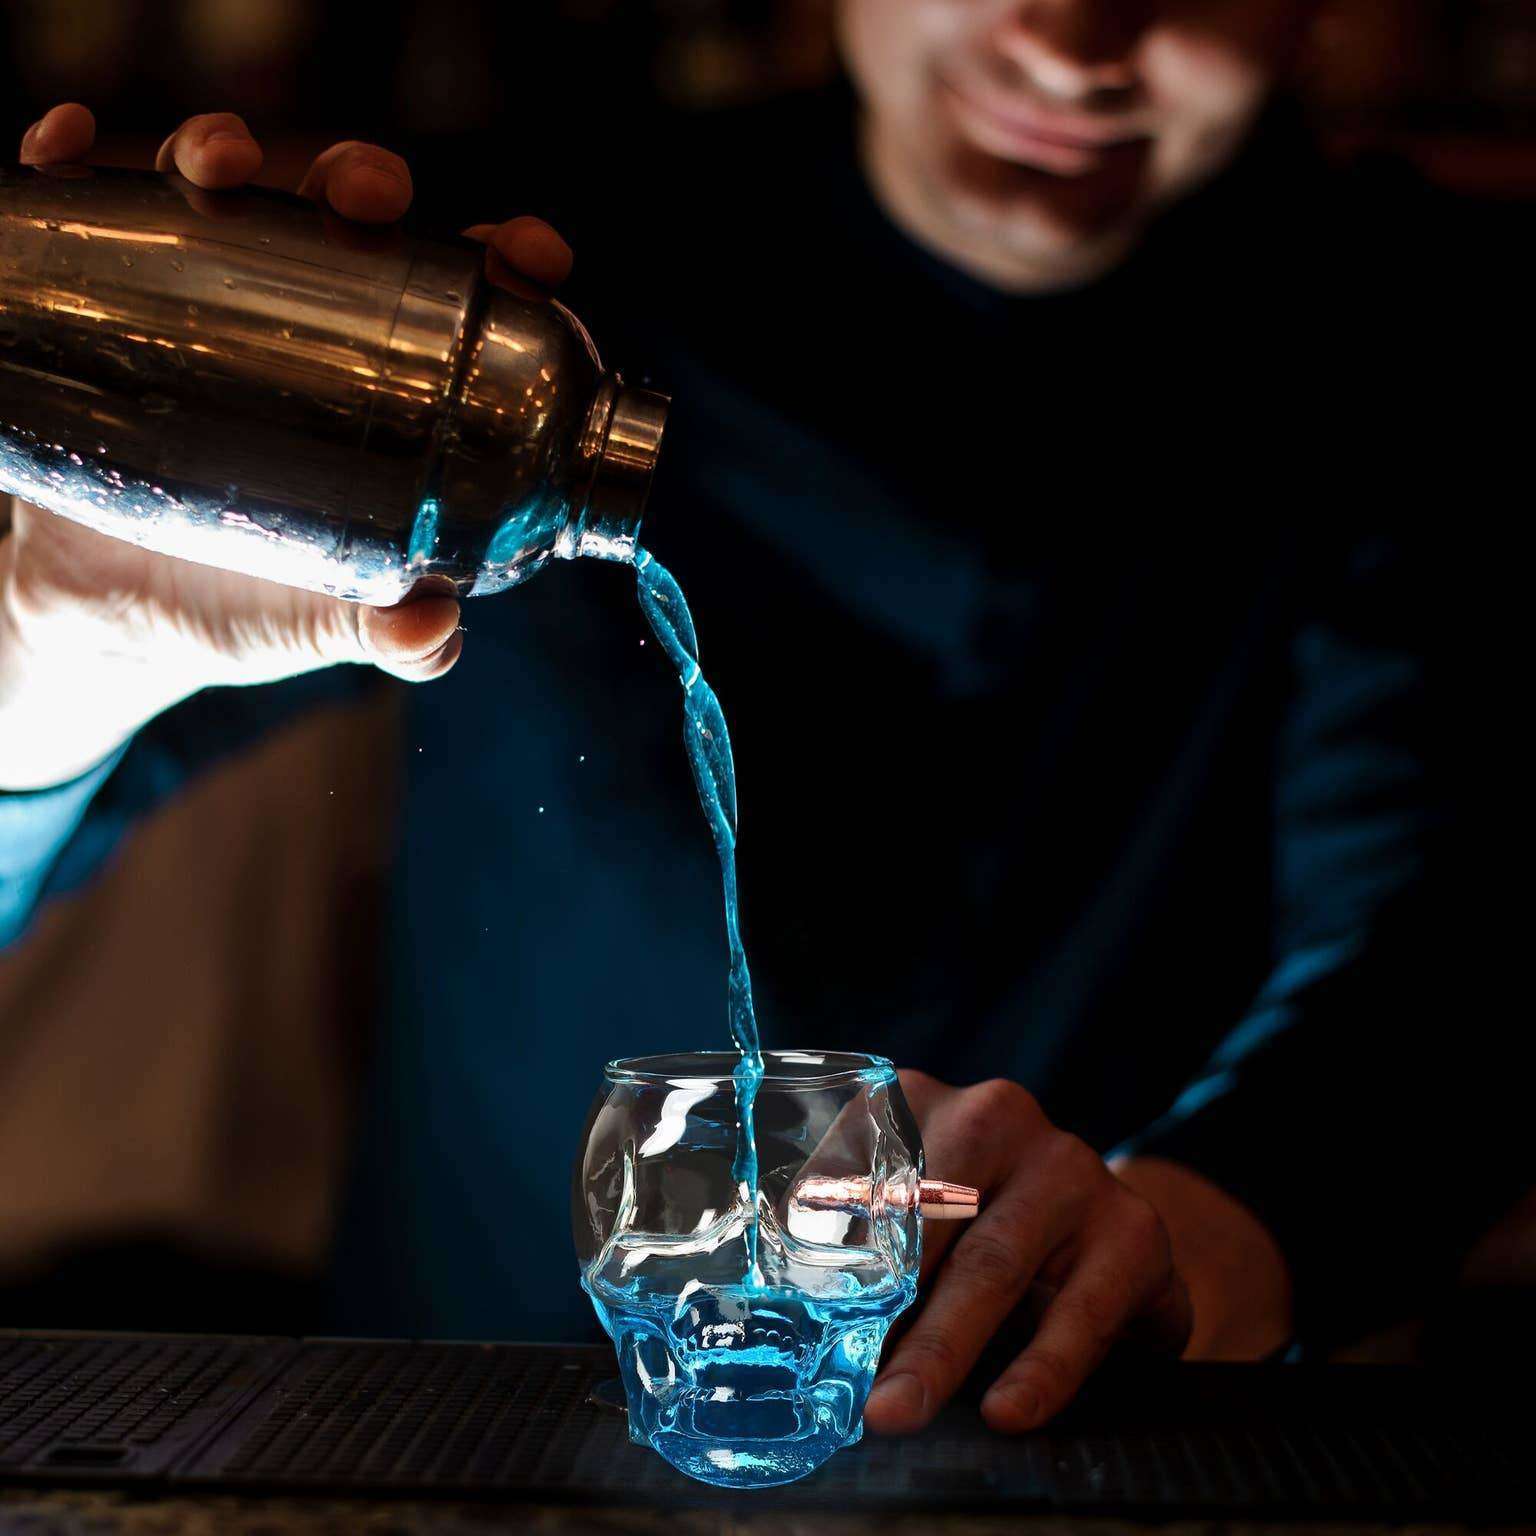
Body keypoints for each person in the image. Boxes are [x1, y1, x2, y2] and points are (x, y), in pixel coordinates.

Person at [0, 0, 1523, 1438]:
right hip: (474, 1426)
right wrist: (51, 637)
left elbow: (1445, 959)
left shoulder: (1428, 339)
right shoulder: (557, 274)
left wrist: (1166, 1245)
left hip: (1091, 1442)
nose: (1068, 40)